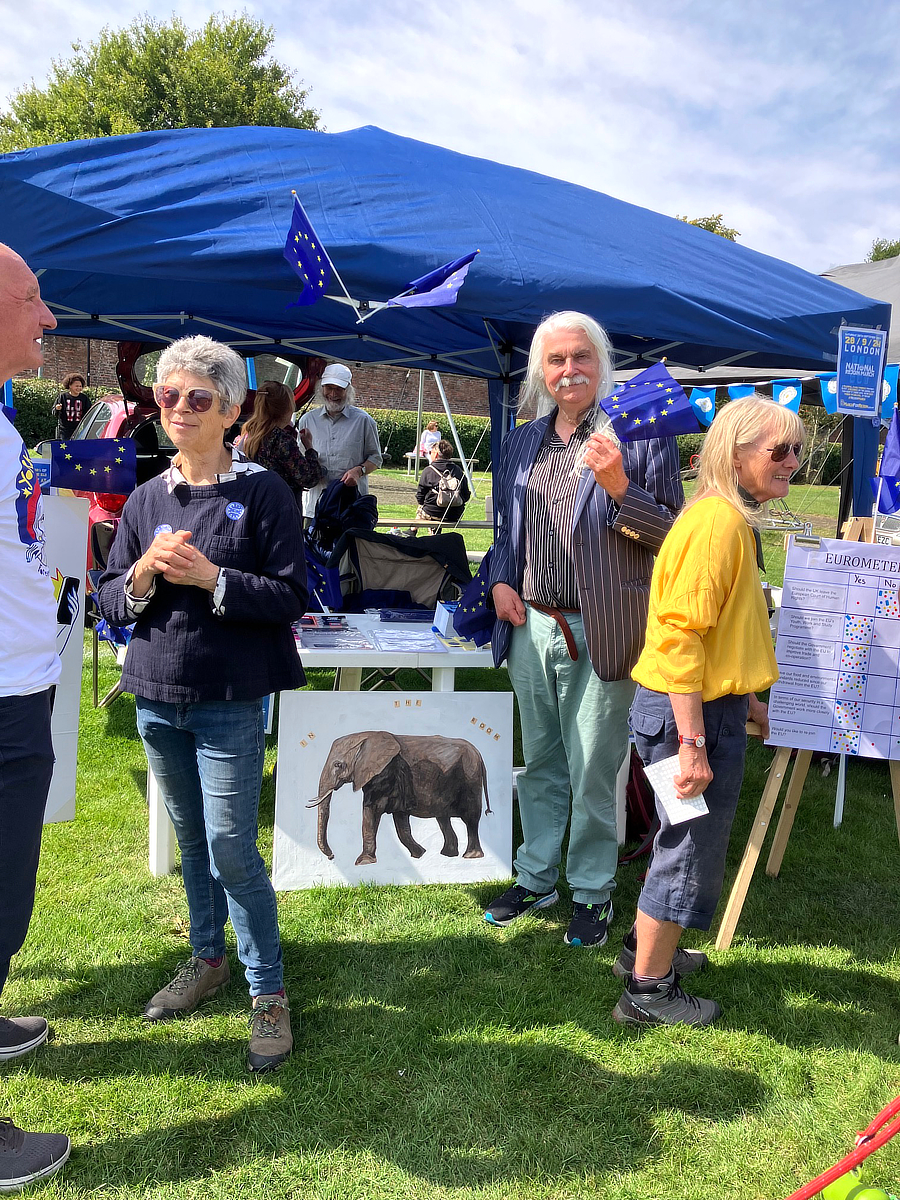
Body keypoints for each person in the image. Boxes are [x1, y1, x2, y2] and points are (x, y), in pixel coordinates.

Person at [97, 334, 308, 1072]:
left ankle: (267, 989)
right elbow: (108, 597)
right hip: (156, 697)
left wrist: (212, 578)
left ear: (231, 410)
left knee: (229, 848)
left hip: (228, 698)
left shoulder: (264, 494)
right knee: (192, 845)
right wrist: (144, 579)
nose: (178, 409)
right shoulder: (148, 495)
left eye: (197, 398)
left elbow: (291, 594)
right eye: (167, 396)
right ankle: (207, 957)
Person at [484, 311, 683, 947]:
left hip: (605, 627)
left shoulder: (640, 436)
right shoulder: (521, 441)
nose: (569, 371)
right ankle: (537, 873)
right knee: (539, 761)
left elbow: (672, 539)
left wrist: (620, 486)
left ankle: (593, 889)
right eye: (556, 360)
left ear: (601, 363)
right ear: (540, 372)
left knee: (596, 766)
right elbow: (503, 534)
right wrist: (499, 581)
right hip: (531, 626)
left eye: (581, 358)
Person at [612, 396, 803, 1027]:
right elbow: (679, 639)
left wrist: (746, 695)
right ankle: (648, 991)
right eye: (779, 450)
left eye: (796, 450)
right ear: (736, 451)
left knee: (678, 839)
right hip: (685, 717)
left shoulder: (724, 519)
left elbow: (721, 630)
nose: (792, 462)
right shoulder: (718, 523)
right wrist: (693, 743)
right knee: (686, 847)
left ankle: (645, 952)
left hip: (693, 708)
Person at [0, 243, 71, 1189]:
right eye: (31, 298)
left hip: (21, 681)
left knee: (8, 883)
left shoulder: (6, 421)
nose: (48, 318)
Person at [296, 363, 382, 518]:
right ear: (321, 388)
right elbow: (299, 460)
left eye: (339, 389)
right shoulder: (308, 420)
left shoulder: (364, 421)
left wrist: (358, 471)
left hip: (351, 506)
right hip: (315, 505)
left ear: (348, 389)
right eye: (328, 387)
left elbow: (376, 458)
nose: (333, 393)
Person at [238, 379, 324, 505]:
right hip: (280, 507)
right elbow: (309, 478)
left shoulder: (248, 432)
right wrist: (309, 448)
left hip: (254, 504)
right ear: (287, 409)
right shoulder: (282, 440)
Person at [415, 439, 471, 529]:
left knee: (422, 509)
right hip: (455, 515)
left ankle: (412, 531)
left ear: (436, 454)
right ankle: (433, 534)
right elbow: (466, 495)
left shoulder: (428, 470)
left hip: (433, 513)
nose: (430, 454)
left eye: (431, 452)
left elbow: (420, 496)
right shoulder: (458, 470)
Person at [52, 372, 86, 439]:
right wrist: (57, 409)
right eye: (76, 386)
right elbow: (54, 413)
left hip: (78, 429)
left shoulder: (84, 398)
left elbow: (88, 413)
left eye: (80, 386)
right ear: (70, 386)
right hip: (64, 430)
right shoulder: (63, 397)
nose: (79, 388)